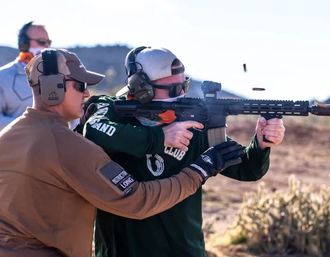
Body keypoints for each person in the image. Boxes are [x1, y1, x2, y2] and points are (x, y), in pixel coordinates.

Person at [0, 48, 245, 257]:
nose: (87, 94)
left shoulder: (8, 136)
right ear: (54, 89)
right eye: (80, 85)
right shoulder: (68, 145)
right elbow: (137, 200)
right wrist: (199, 171)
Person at [81, 46, 286, 257]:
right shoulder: (111, 110)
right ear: (141, 88)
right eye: (172, 89)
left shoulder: (193, 123)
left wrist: (261, 143)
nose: (180, 94)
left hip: (184, 250)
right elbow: (94, 130)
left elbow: (247, 169)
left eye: (183, 86)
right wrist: (160, 138)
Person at [0, 21, 51, 130]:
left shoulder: (57, 75)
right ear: (23, 43)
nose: (46, 46)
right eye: (41, 42)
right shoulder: (3, 77)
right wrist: (30, 126)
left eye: (48, 42)